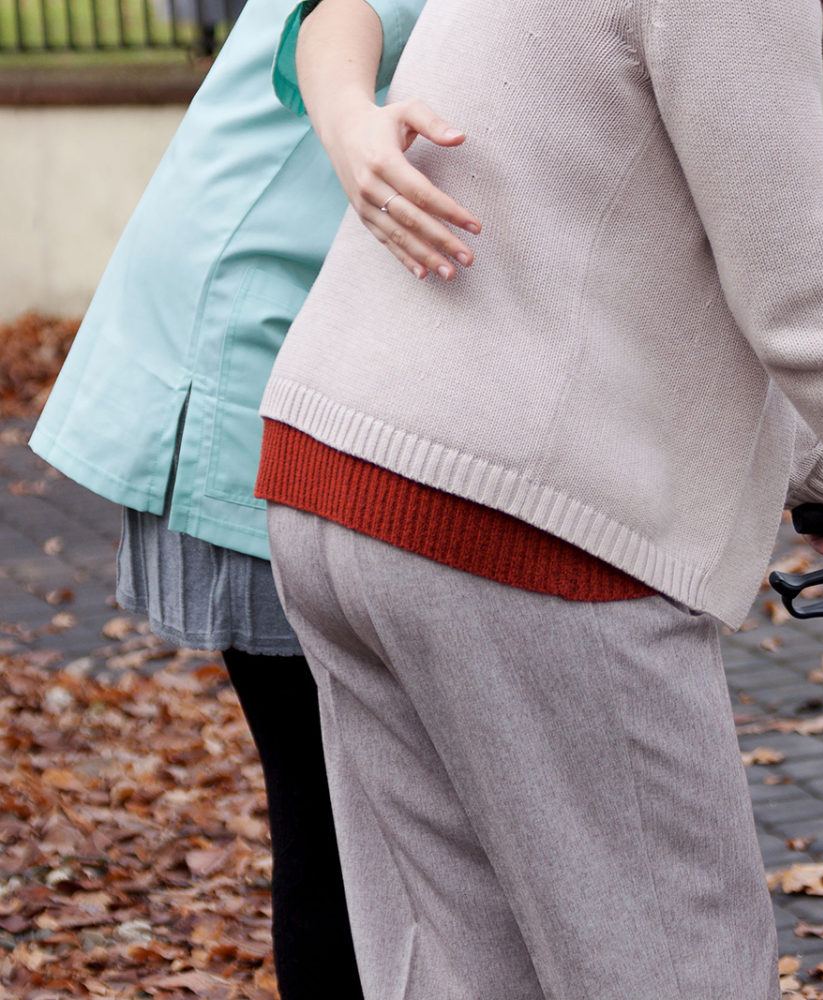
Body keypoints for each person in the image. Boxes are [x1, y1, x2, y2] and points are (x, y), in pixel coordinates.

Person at [261, 0, 823, 996]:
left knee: (464, 968)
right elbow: (802, 288)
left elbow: (630, 252)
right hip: (509, 529)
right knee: (677, 968)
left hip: (338, 473)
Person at [26, 0, 469, 994]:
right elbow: (336, 16)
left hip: (304, 358)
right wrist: (357, 128)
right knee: (340, 818)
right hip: (247, 367)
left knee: (361, 817)